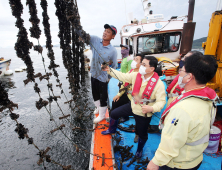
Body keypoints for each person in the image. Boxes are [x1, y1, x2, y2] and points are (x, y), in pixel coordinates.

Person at [147, 54, 218, 170]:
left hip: (178, 163)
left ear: (189, 77)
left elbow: (172, 142)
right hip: (195, 158)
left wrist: (155, 163)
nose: (179, 74)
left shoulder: (183, 109)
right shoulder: (210, 98)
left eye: (181, 71)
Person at [101, 56, 166, 158]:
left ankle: (139, 150)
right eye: (142, 64)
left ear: (152, 69)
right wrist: (109, 70)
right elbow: (122, 76)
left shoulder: (159, 84)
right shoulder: (136, 75)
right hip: (133, 106)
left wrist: (152, 108)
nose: (141, 66)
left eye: (144, 65)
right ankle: (111, 130)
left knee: (142, 133)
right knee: (114, 113)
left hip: (144, 112)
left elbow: (161, 101)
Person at [90, 24, 117, 123]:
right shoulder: (95, 40)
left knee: (103, 96)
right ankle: (97, 108)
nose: (105, 33)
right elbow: (84, 36)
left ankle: (102, 115)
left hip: (103, 77)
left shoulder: (113, 50)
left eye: (108, 32)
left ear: (113, 36)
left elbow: (114, 65)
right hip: (93, 74)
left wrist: (108, 76)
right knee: (94, 94)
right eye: (105, 30)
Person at [111, 54, 145, 122]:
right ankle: (114, 119)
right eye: (134, 59)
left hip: (135, 98)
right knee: (115, 101)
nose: (134, 61)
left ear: (140, 64)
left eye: (136, 60)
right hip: (127, 94)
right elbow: (124, 84)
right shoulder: (131, 71)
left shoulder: (142, 74)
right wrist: (118, 94)